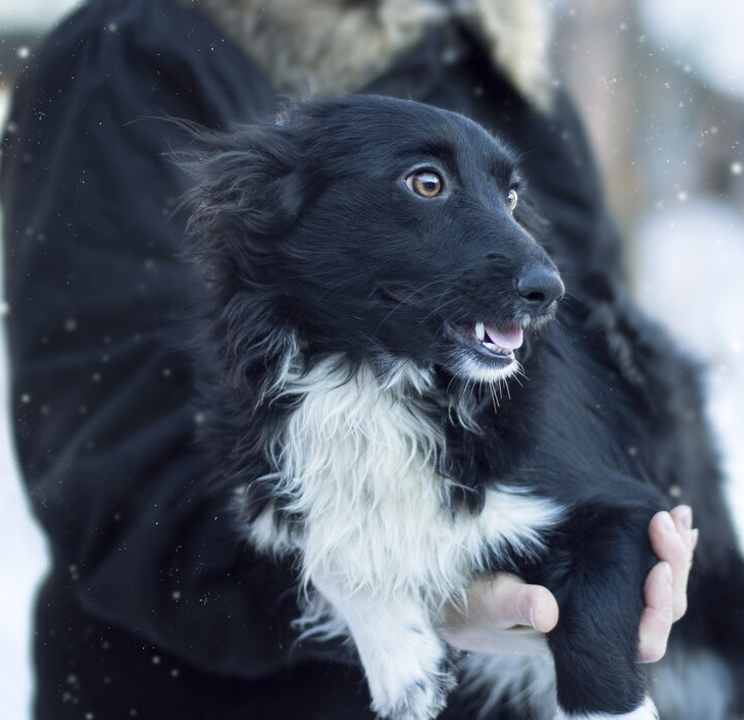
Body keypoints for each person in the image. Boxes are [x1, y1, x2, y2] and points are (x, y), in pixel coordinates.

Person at [1, 0, 697, 718]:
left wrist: (642, 568)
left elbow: (604, 371)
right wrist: (399, 590)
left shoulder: (505, 73)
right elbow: (116, 463)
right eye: (427, 183)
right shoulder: (129, 51)